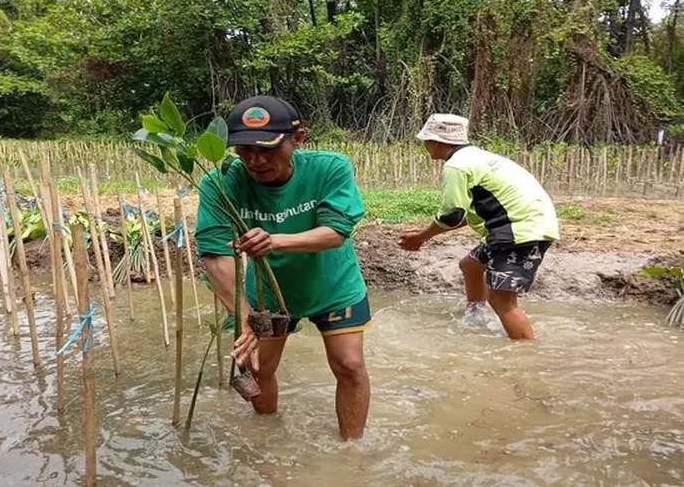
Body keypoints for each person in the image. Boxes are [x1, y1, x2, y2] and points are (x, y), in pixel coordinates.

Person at [194, 95, 372, 440]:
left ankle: (352, 452)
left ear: (299, 138)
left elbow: (335, 233)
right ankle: (269, 438)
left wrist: (275, 240)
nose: (255, 161)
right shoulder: (219, 182)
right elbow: (216, 255)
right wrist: (245, 317)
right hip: (267, 293)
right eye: (243, 151)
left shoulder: (330, 167)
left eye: (267, 149)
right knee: (259, 370)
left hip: (333, 286)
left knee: (349, 367)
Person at [397, 113, 559, 340]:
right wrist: (425, 233)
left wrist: (421, 237)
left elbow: (452, 215)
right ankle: (476, 315)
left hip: (519, 230)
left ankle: (525, 354)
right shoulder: (478, 157)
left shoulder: (456, 166)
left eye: (425, 140)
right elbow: (464, 214)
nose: (424, 145)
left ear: (436, 141)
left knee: (502, 300)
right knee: (470, 266)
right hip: (517, 225)